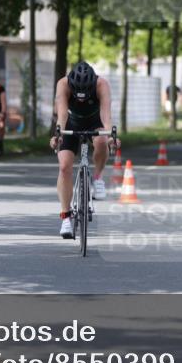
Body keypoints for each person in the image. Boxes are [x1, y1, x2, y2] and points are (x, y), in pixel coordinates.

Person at [50, 61, 113, 239]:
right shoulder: (63, 84)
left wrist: (110, 136)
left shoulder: (102, 84)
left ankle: (98, 178)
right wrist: (58, 134)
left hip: (94, 120)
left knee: (101, 141)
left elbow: (106, 115)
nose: (82, 98)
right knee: (64, 167)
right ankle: (66, 217)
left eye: (86, 94)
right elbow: (61, 114)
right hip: (71, 121)